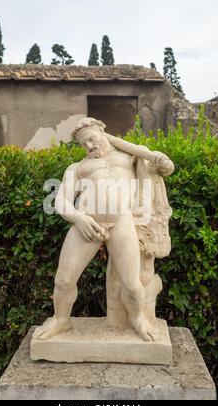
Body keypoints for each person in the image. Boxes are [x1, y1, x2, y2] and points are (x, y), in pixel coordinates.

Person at [34, 118, 174, 342]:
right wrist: (79, 219)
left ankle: (138, 319)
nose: (89, 146)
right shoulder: (77, 168)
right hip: (87, 225)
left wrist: (160, 162)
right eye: (83, 144)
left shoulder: (131, 157)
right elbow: (60, 202)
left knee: (131, 285)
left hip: (122, 223)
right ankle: (61, 319)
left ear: (103, 131)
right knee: (63, 280)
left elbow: (165, 169)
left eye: (91, 139)